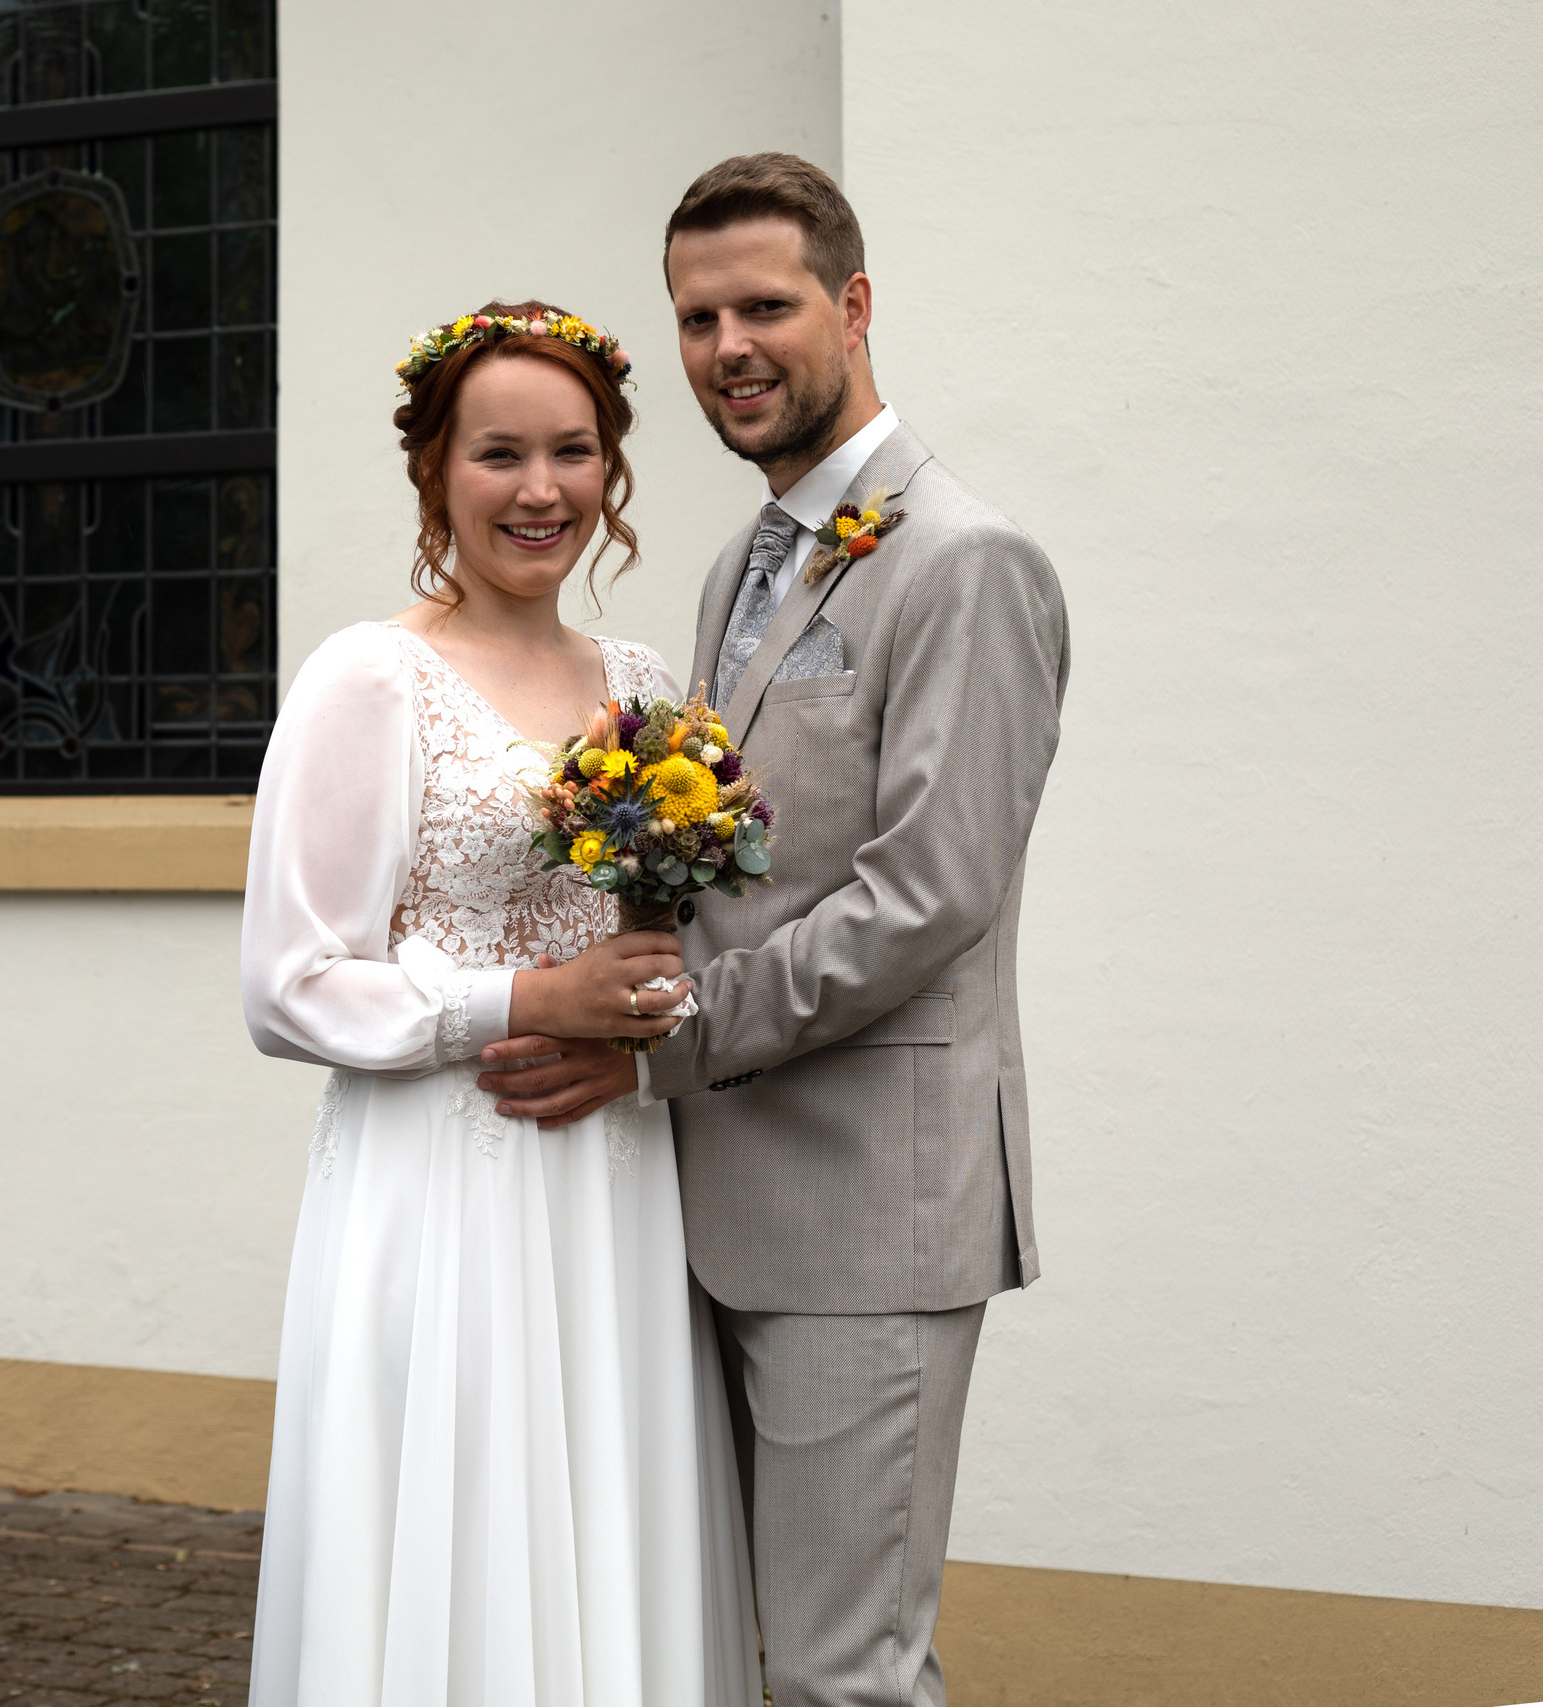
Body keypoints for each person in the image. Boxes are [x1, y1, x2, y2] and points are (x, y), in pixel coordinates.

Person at [480, 156, 1071, 1707]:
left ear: (854, 306)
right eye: (696, 318)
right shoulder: (748, 562)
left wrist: (659, 1046)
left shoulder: (963, 561)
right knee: (728, 1659)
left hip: (867, 1216)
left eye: (764, 306)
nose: (727, 347)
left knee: (840, 1676)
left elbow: (927, 897)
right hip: (715, 1203)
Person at [241, 300, 763, 1705]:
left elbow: (680, 945)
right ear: (435, 472)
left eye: (574, 454)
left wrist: (643, 1034)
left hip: (615, 1185)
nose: (542, 492)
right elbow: (287, 984)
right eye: (500, 455)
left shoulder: (649, 692)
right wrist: (525, 998)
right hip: (439, 1188)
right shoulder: (370, 679)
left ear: (612, 471)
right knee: (453, 1536)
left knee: (608, 1524)